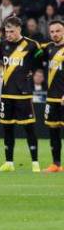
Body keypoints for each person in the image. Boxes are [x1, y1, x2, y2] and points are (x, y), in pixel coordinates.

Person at [0, 16, 44, 172]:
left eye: (11, 31)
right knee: (7, 128)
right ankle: (9, 162)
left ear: (19, 29)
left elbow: (41, 61)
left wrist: (31, 72)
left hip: (23, 94)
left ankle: (35, 163)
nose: (8, 34)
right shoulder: (2, 45)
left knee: (29, 128)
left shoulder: (31, 45)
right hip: (7, 93)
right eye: (6, 31)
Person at [44, 20, 64, 172]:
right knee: (53, 131)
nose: (55, 34)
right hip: (52, 97)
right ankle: (56, 164)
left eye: (58, 31)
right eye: (52, 32)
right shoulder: (48, 48)